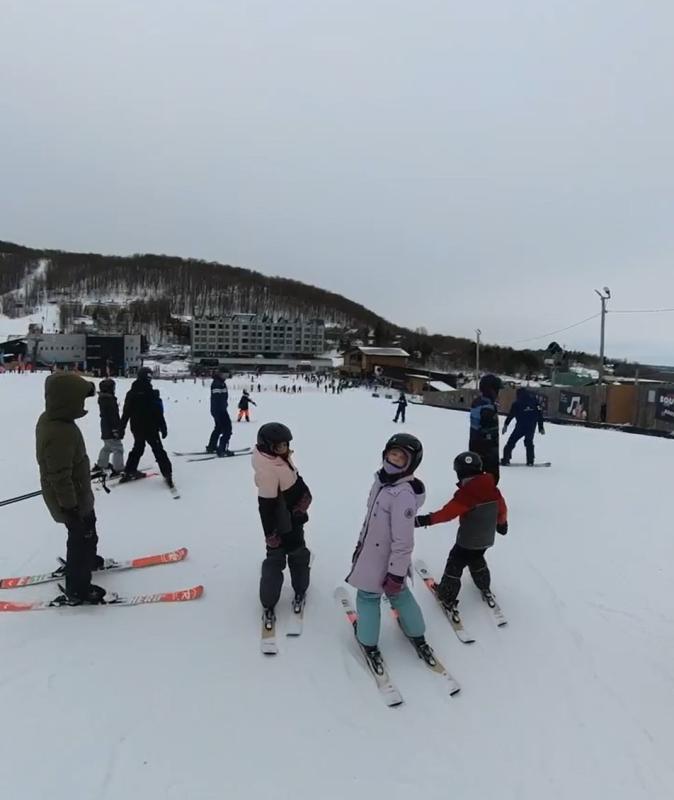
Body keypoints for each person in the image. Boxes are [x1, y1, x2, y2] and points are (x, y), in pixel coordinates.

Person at [346, 434, 433, 666]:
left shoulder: (402, 494)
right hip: (371, 552)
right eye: (391, 454)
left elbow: (404, 540)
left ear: (411, 464)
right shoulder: (382, 482)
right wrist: (360, 545)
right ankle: (415, 629)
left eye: (400, 458)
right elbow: (370, 519)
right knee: (399, 593)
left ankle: (367, 639)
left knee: (369, 596)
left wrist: (395, 573)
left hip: (386, 557)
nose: (393, 460)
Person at [35, 372, 106, 603]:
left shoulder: (56, 421)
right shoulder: (59, 432)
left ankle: (88, 560)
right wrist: (70, 507)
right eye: (79, 400)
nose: (82, 405)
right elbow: (59, 475)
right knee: (79, 539)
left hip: (77, 493)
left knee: (88, 531)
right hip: (70, 499)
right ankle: (78, 588)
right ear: (67, 400)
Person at [415, 451, 508, 611]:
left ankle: (446, 596)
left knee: (455, 563)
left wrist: (426, 520)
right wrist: (502, 523)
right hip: (487, 539)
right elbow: (502, 507)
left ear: (459, 472)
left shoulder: (466, 494)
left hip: (467, 540)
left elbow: (447, 514)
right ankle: (484, 585)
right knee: (477, 558)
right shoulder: (492, 488)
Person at [252, 423, 312, 626]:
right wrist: (271, 534)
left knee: (295, 555)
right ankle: (270, 600)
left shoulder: (278, 460)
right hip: (285, 524)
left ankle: (300, 588)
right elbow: (265, 506)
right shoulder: (268, 471)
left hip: (293, 517)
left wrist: (304, 495)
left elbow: (294, 479)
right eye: (279, 446)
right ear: (268, 446)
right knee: (287, 556)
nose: (284, 449)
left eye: (286, 445)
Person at [120, 367, 173, 486]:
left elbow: (126, 412)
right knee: (158, 449)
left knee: (138, 447)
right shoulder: (151, 393)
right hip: (150, 427)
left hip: (137, 427)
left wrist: (121, 427)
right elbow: (158, 412)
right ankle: (167, 473)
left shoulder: (132, 393)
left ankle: (129, 470)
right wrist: (163, 426)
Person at [469, 374, 503, 484]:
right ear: (490, 390)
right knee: (490, 477)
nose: (497, 393)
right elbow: (487, 430)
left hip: (476, 444)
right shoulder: (487, 408)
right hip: (486, 448)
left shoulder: (479, 402)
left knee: (476, 473)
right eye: (496, 390)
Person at [501, 387, 545, 466]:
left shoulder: (516, 403)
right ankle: (530, 461)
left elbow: (510, 415)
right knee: (529, 442)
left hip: (520, 426)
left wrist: (506, 425)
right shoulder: (535, 402)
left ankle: (505, 459)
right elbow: (540, 415)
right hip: (531, 426)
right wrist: (541, 427)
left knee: (511, 442)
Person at [92, 378, 124, 477]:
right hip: (111, 428)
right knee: (118, 448)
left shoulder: (103, 399)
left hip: (105, 427)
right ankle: (118, 469)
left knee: (107, 447)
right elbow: (113, 416)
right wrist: (116, 429)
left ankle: (101, 464)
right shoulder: (110, 400)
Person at [206, 368, 233, 456]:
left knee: (219, 428)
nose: (227, 375)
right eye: (225, 374)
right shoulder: (217, 383)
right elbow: (217, 398)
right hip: (219, 410)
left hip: (219, 409)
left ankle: (212, 446)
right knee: (227, 429)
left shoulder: (221, 382)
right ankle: (222, 449)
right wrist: (222, 408)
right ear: (221, 374)